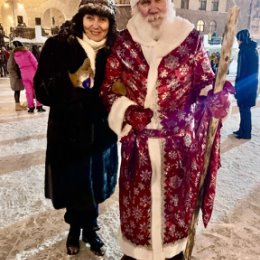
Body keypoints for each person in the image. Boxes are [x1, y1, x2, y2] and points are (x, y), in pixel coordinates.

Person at [100, 0, 234, 259]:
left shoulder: (190, 39)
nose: (151, 8)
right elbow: (109, 87)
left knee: (175, 217)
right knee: (138, 219)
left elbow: (204, 82)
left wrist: (214, 99)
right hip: (137, 152)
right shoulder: (124, 43)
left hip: (178, 153)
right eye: (144, 2)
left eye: (157, 0)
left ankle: (173, 254)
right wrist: (126, 110)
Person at [34, 0, 118, 257]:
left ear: (110, 22)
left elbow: (123, 88)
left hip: (102, 133)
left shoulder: (116, 50)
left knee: (94, 183)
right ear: (80, 18)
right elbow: (41, 91)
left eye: (102, 19)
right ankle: (74, 229)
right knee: (74, 184)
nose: (95, 25)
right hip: (67, 133)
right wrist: (70, 80)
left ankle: (91, 229)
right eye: (90, 18)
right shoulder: (58, 46)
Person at [233, 29, 259, 139]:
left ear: (242, 39)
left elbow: (241, 71)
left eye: (238, 39)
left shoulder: (244, 51)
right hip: (250, 84)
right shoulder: (252, 49)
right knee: (244, 109)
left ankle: (246, 133)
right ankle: (242, 129)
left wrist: (238, 87)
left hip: (245, 85)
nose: (237, 41)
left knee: (244, 109)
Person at [12, 41, 45, 113]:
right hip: (32, 73)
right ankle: (39, 106)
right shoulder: (27, 52)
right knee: (37, 89)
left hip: (24, 74)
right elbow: (35, 62)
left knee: (28, 91)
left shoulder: (15, 55)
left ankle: (31, 107)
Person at [7, 46, 26, 111]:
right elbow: (10, 67)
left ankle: (18, 104)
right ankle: (17, 106)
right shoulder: (13, 55)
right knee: (17, 90)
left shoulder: (15, 55)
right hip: (16, 76)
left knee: (18, 90)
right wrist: (15, 76)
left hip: (17, 76)